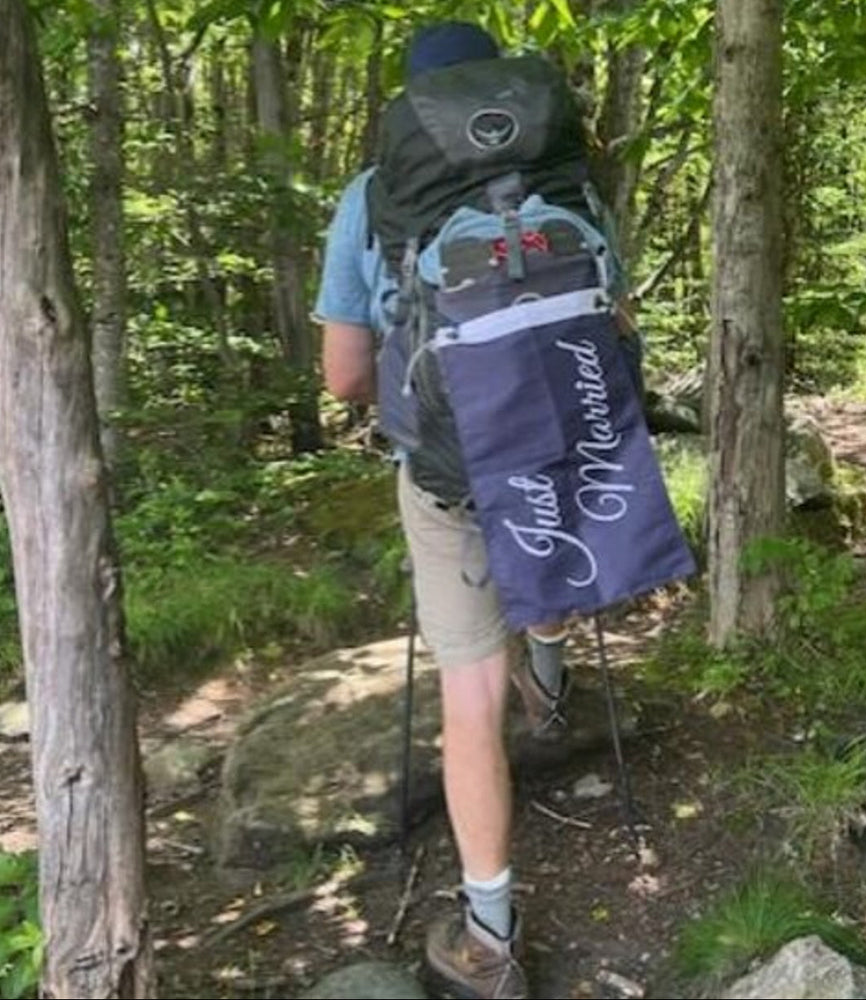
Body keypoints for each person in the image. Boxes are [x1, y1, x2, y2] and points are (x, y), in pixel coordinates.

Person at [314, 22, 592, 1000]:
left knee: (469, 693)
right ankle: (552, 687)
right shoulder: (565, 179)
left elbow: (344, 374)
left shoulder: (371, 195)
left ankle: (490, 933)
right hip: (560, 428)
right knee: (546, 555)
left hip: (448, 459)